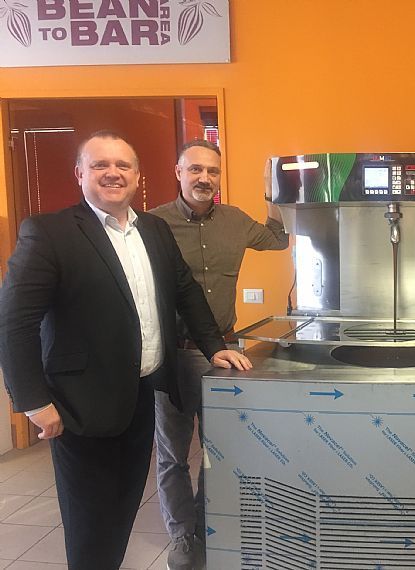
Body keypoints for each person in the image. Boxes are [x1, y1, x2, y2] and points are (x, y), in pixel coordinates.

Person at [0, 131, 252, 570]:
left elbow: (185, 290)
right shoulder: (49, 233)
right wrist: (33, 401)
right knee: (90, 520)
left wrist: (214, 346)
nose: (113, 173)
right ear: (80, 173)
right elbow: (14, 322)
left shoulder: (153, 229)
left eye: (123, 165)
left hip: (140, 395)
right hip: (80, 405)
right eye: (100, 164)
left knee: (122, 507)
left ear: (137, 176)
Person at [150, 140, 289, 569]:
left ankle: (205, 527)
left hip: (224, 355)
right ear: (178, 172)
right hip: (171, 356)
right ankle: (181, 535)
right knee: (173, 454)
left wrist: (271, 193)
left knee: (219, 451)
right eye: (195, 169)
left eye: (212, 171)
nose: (204, 178)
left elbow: (279, 240)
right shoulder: (152, 224)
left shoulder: (236, 221)